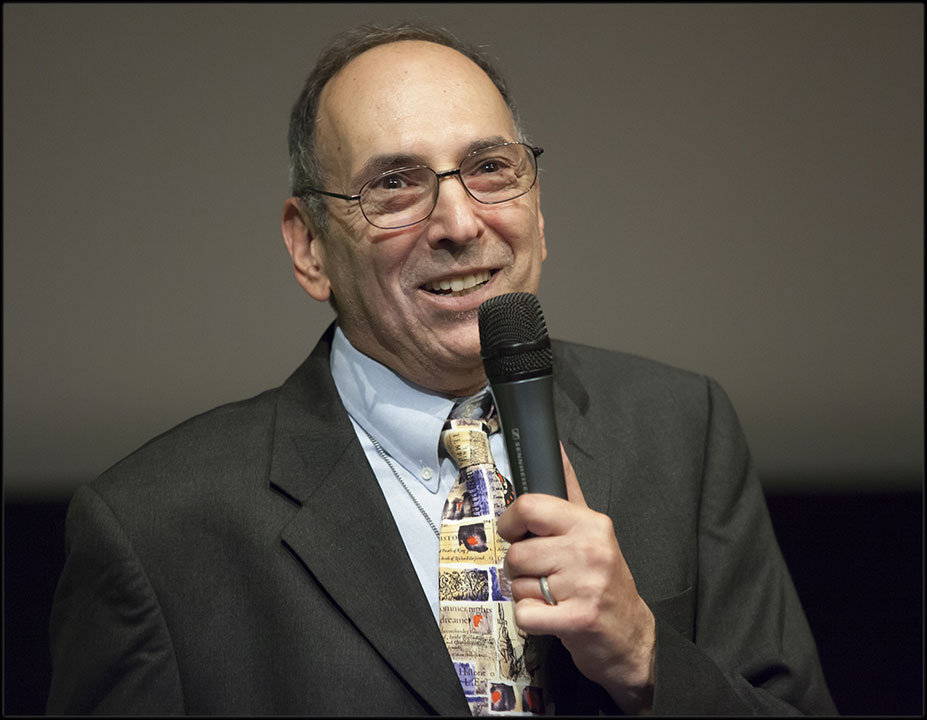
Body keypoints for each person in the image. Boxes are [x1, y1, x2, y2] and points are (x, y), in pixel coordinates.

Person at [46, 22, 836, 715]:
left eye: (489, 167)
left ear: (538, 207)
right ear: (309, 246)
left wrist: (644, 659)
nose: (459, 223)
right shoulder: (155, 528)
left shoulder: (680, 427)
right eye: (394, 185)